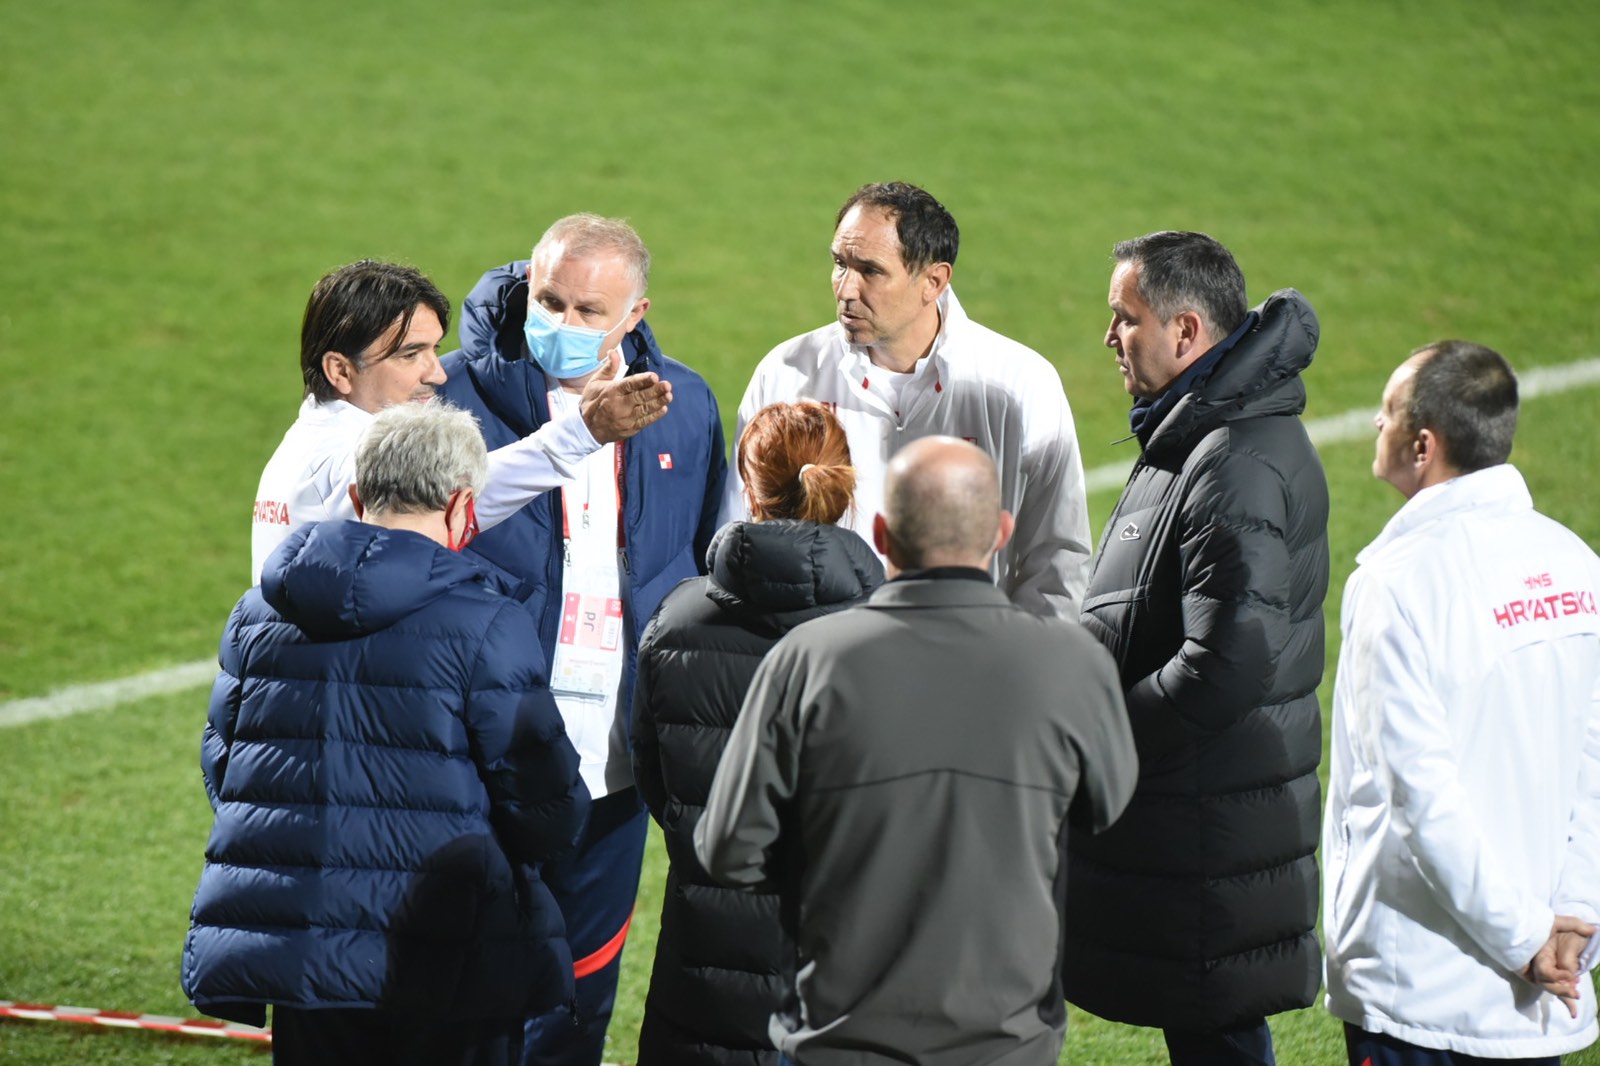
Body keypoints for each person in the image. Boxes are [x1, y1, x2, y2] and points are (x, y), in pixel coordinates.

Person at [696, 435, 1139, 1066]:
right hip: (1006, 1043)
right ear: (1001, 532)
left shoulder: (808, 659)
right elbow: (1107, 807)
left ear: (881, 533)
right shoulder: (1074, 662)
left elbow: (729, 851)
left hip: (837, 1042)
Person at [184, 403, 590, 1065]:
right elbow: (544, 799)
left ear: (356, 495)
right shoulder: (487, 622)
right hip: (447, 950)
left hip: (301, 951)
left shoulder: (257, 614)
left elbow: (225, 768)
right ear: (461, 507)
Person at [438, 214, 726, 1066]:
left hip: (615, 764)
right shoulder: (448, 397)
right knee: (467, 993)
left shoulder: (684, 406)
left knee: (578, 996)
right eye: (548, 300)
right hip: (482, 758)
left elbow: (698, 567)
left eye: (588, 310)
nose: (561, 323)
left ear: (634, 315)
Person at [1061, 231, 1330, 1065]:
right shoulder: (1197, 433)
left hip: (1211, 825)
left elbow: (1227, 665)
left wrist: (1105, 733)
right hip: (1202, 818)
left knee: (1219, 1040)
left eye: (1125, 318)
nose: (1109, 337)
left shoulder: (1232, 457)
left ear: (1185, 331)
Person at [1323, 340, 1600, 1064]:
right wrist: (1574, 916)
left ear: (1423, 445)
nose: (1374, 424)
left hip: (1421, 992)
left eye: (1386, 411)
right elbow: (1594, 768)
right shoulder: (1578, 564)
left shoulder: (1395, 584)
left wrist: (1524, 938)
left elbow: (1419, 797)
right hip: (1543, 995)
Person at [631, 401, 884, 1066]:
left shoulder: (676, 620)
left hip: (706, 961)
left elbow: (656, 779)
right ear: (844, 482)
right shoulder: (897, 631)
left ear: (750, 487)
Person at [722, 181, 1091, 619]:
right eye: (839, 264)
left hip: (972, 653)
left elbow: (1058, 558)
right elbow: (742, 531)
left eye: (870, 271)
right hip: (823, 652)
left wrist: (1012, 656)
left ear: (933, 281)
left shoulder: (1021, 383)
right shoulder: (786, 374)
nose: (846, 290)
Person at [250, 258, 671, 583]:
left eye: (434, 350)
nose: (437, 374)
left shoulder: (306, 444)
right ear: (340, 371)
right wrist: (581, 432)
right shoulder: (345, 457)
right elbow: (456, 496)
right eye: (410, 355)